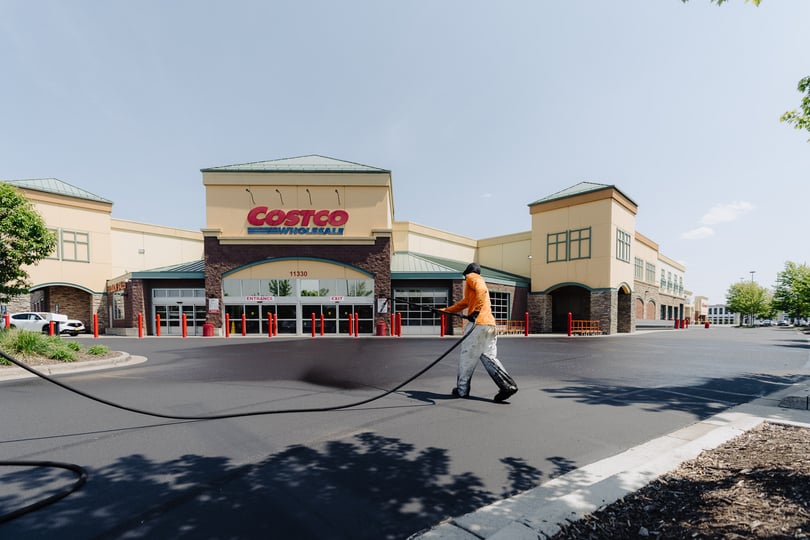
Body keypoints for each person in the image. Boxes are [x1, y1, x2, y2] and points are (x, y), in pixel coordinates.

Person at [442, 262, 518, 403]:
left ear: (468, 273)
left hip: (477, 324)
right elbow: (464, 303)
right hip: (489, 325)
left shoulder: (473, 277)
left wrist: (475, 312)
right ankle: (507, 385)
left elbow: (481, 290)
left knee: (467, 357)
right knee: (488, 356)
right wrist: (445, 311)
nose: (466, 279)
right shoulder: (474, 290)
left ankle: (462, 390)